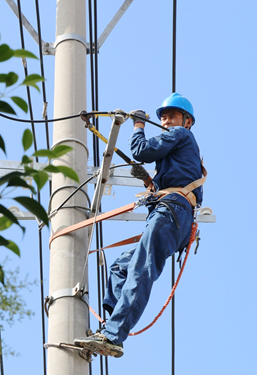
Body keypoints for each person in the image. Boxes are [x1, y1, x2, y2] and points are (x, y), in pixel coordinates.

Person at [74, 93, 205, 358]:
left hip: (172, 212)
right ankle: (109, 326)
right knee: (122, 266)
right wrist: (150, 182)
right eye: (163, 117)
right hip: (171, 213)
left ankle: (113, 335)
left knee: (141, 267)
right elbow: (164, 170)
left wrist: (138, 126)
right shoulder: (180, 151)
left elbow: (142, 151)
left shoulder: (181, 134)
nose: (167, 121)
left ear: (187, 121)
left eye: (172, 116)